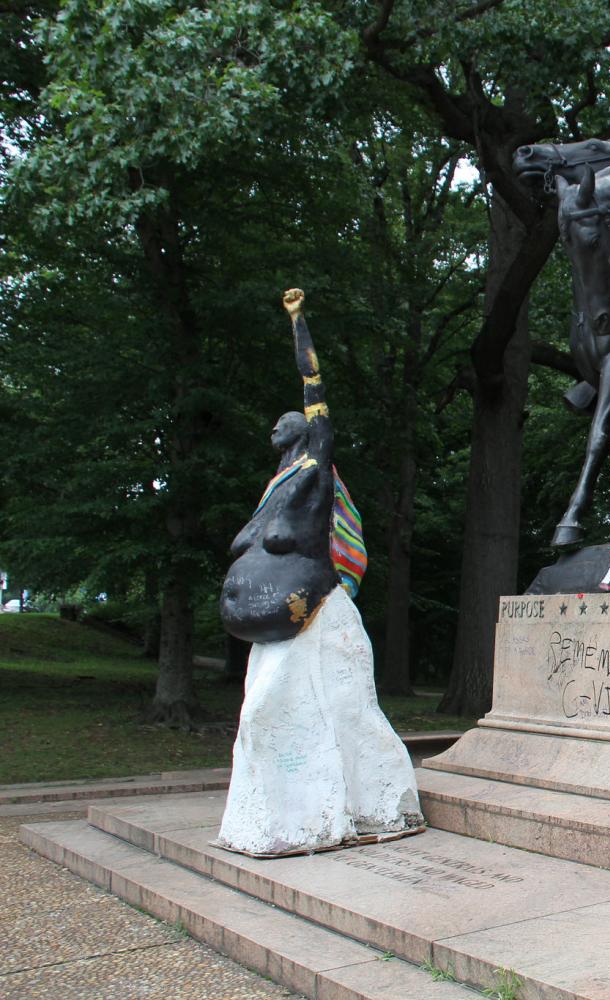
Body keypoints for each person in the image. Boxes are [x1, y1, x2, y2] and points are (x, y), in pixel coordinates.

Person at [215, 289, 422, 857]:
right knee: (261, 716)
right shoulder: (274, 489)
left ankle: (340, 809)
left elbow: (314, 390)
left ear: (304, 432)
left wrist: (297, 322)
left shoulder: (315, 469)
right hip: (277, 636)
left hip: (318, 623)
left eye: (286, 422)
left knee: (279, 714)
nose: (275, 428)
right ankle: (287, 818)